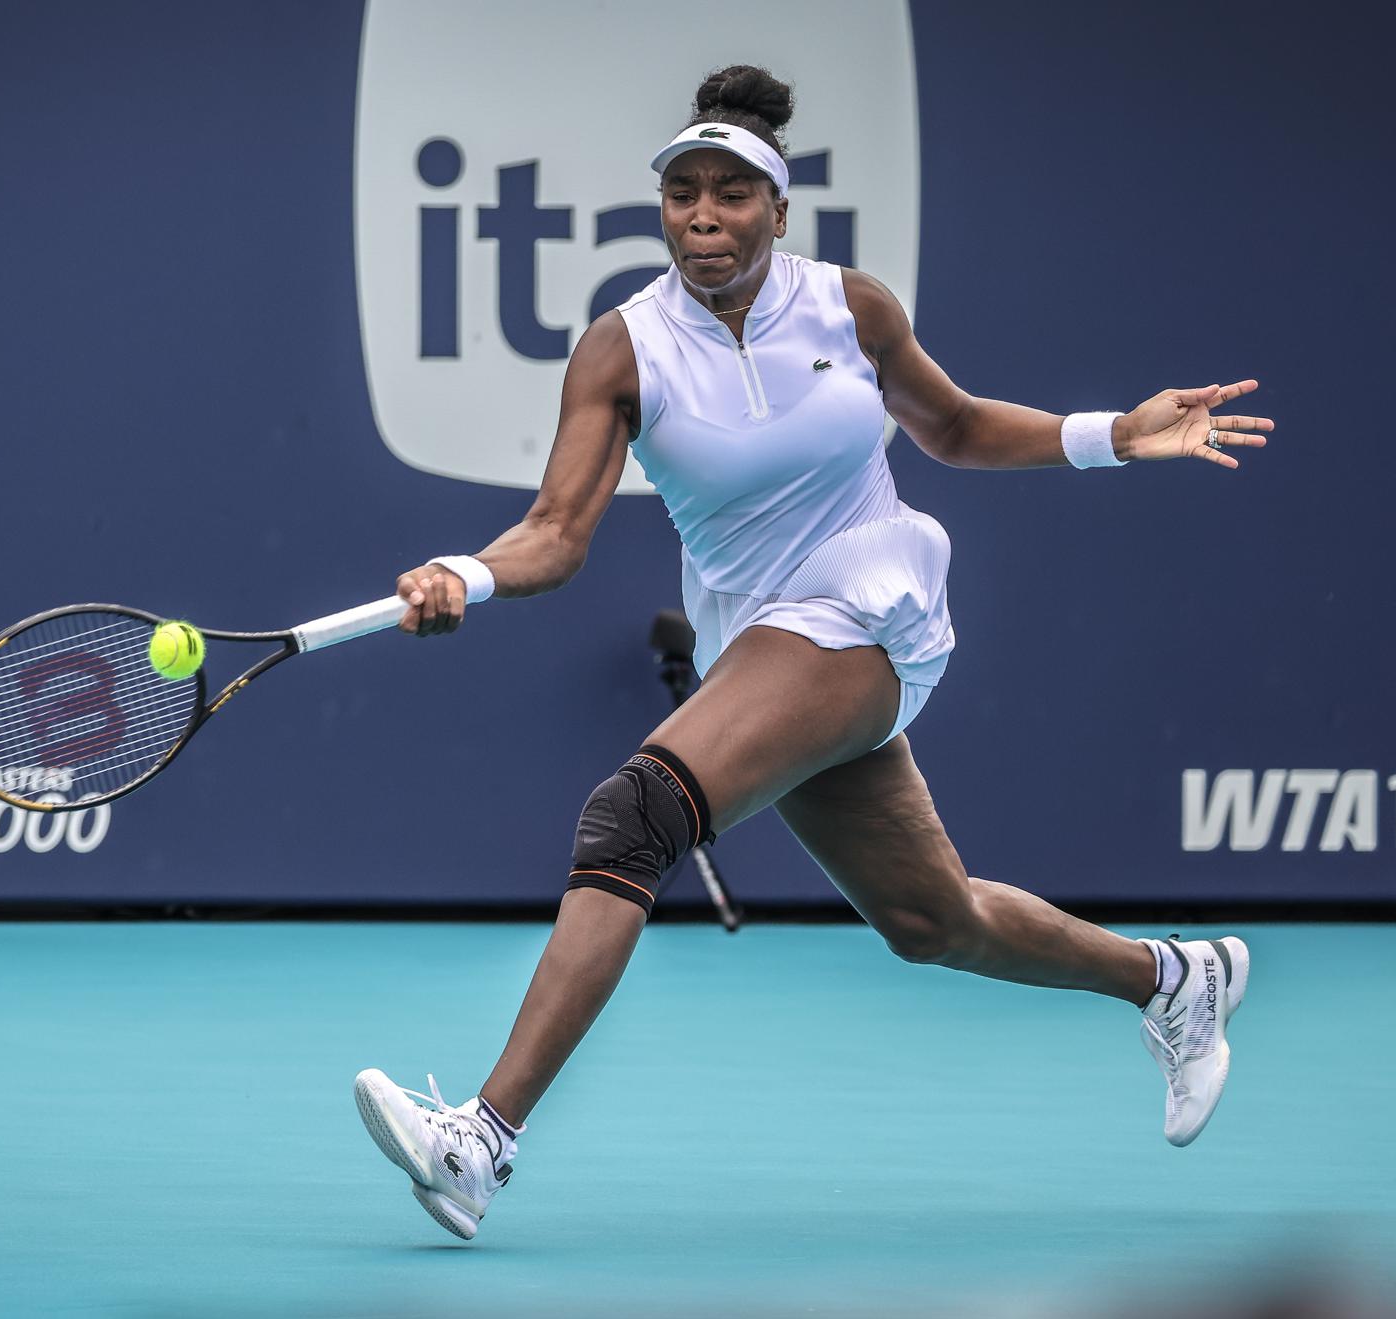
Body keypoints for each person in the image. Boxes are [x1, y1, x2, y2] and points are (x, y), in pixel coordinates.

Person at [352, 64, 1274, 1241]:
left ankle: (481, 1139)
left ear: (778, 208)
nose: (702, 214)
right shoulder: (620, 350)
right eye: (682, 192)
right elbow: (555, 534)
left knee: (633, 817)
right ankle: (1176, 982)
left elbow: (952, 426)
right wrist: (466, 574)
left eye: (731, 192)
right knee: (931, 921)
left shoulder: (853, 306)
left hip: (869, 599)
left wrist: (1113, 437)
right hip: (758, 648)